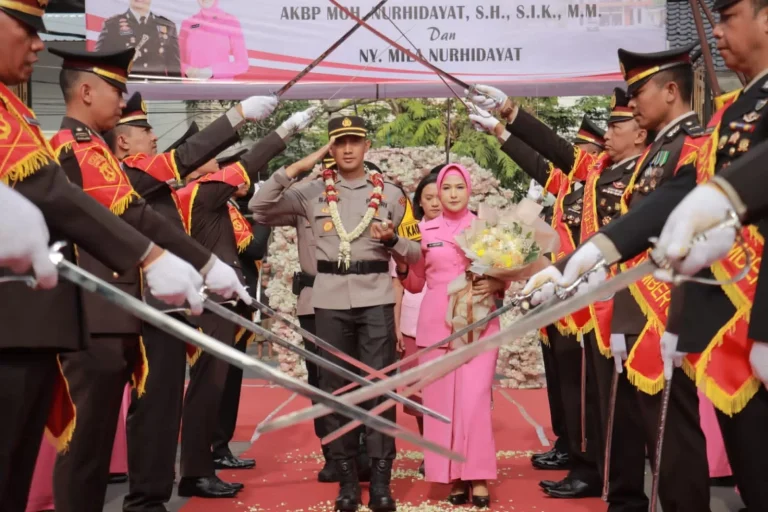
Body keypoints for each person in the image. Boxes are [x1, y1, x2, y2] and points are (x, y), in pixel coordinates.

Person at [0, 3, 208, 509]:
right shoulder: (74, 145)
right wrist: (157, 258)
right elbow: (74, 202)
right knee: (81, 458)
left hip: (52, 322)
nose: (37, 44)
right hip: (73, 319)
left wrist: (184, 261)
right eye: (26, 29)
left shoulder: (18, 113)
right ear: (87, 90)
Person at [45, 47, 248, 512]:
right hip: (94, 315)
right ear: (87, 90)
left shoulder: (96, 150)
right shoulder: (75, 148)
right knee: (86, 450)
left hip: (126, 312)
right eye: (115, 91)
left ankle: (148, 503)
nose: (120, 102)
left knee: (144, 423)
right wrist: (206, 264)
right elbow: (133, 214)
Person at [534, 45, 712, 512]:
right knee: (637, 430)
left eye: (639, 92)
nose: (631, 105)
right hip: (634, 309)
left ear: (671, 91)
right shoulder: (663, 151)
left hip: (668, 313)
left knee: (672, 446)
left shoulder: (693, 146)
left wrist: (587, 256)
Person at [103, 92, 282, 506]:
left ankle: (153, 493)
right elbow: (186, 156)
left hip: (173, 304)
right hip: (146, 306)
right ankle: (145, 498)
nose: (153, 136)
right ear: (125, 142)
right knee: (152, 408)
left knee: (163, 408)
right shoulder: (130, 172)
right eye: (145, 130)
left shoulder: (151, 183)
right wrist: (237, 115)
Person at [251, 115, 422, 512]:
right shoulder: (310, 192)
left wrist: (393, 239)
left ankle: (380, 484)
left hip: (376, 298)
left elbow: (416, 254)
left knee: (379, 391)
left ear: (366, 146)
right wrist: (301, 165)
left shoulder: (393, 195)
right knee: (335, 391)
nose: (347, 149)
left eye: (354, 142)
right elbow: (259, 207)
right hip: (327, 301)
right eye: (338, 142)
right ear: (330, 147)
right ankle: (346, 482)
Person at [469, 101, 606, 496]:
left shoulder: (604, 186)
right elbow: (537, 161)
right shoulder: (566, 185)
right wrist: (499, 130)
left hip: (588, 300)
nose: (572, 158)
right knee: (564, 384)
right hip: (557, 297)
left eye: (582, 152)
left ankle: (587, 463)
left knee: (584, 390)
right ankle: (571, 447)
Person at [394, 164, 505, 508]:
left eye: (460, 187)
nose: (453, 194)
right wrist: (399, 258)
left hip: (478, 325)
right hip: (435, 327)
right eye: (447, 188)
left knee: (473, 403)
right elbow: (414, 283)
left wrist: (499, 281)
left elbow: (507, 273)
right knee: (442, 407)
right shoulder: (423, 231)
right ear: (437, 194)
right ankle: (454, 478)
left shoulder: (487, 229)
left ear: (469, 190)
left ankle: (479, 476)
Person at [390, 172, 441, 477]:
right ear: (419, 201)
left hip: (454, 324)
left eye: (443, 193)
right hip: (413, 324)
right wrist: (396, 325)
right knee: (420, 395)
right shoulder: (409, 235)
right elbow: (399, 282)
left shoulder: (468, 231)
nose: (437, 202)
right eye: (430, 197)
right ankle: (431, 451)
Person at [96, 0, 181, 77]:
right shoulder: (112, 25)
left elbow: (175, 69)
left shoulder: (167, 26)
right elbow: (100, 64)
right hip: (126, 90)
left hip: (158, 90)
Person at [180, 0, 249, 79]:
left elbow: (242, 64)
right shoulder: (188, 23)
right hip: (192, 87)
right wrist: (187, 69)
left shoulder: (230, 21)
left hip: (219, 88)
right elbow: (177, 61)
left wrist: (211, 71)